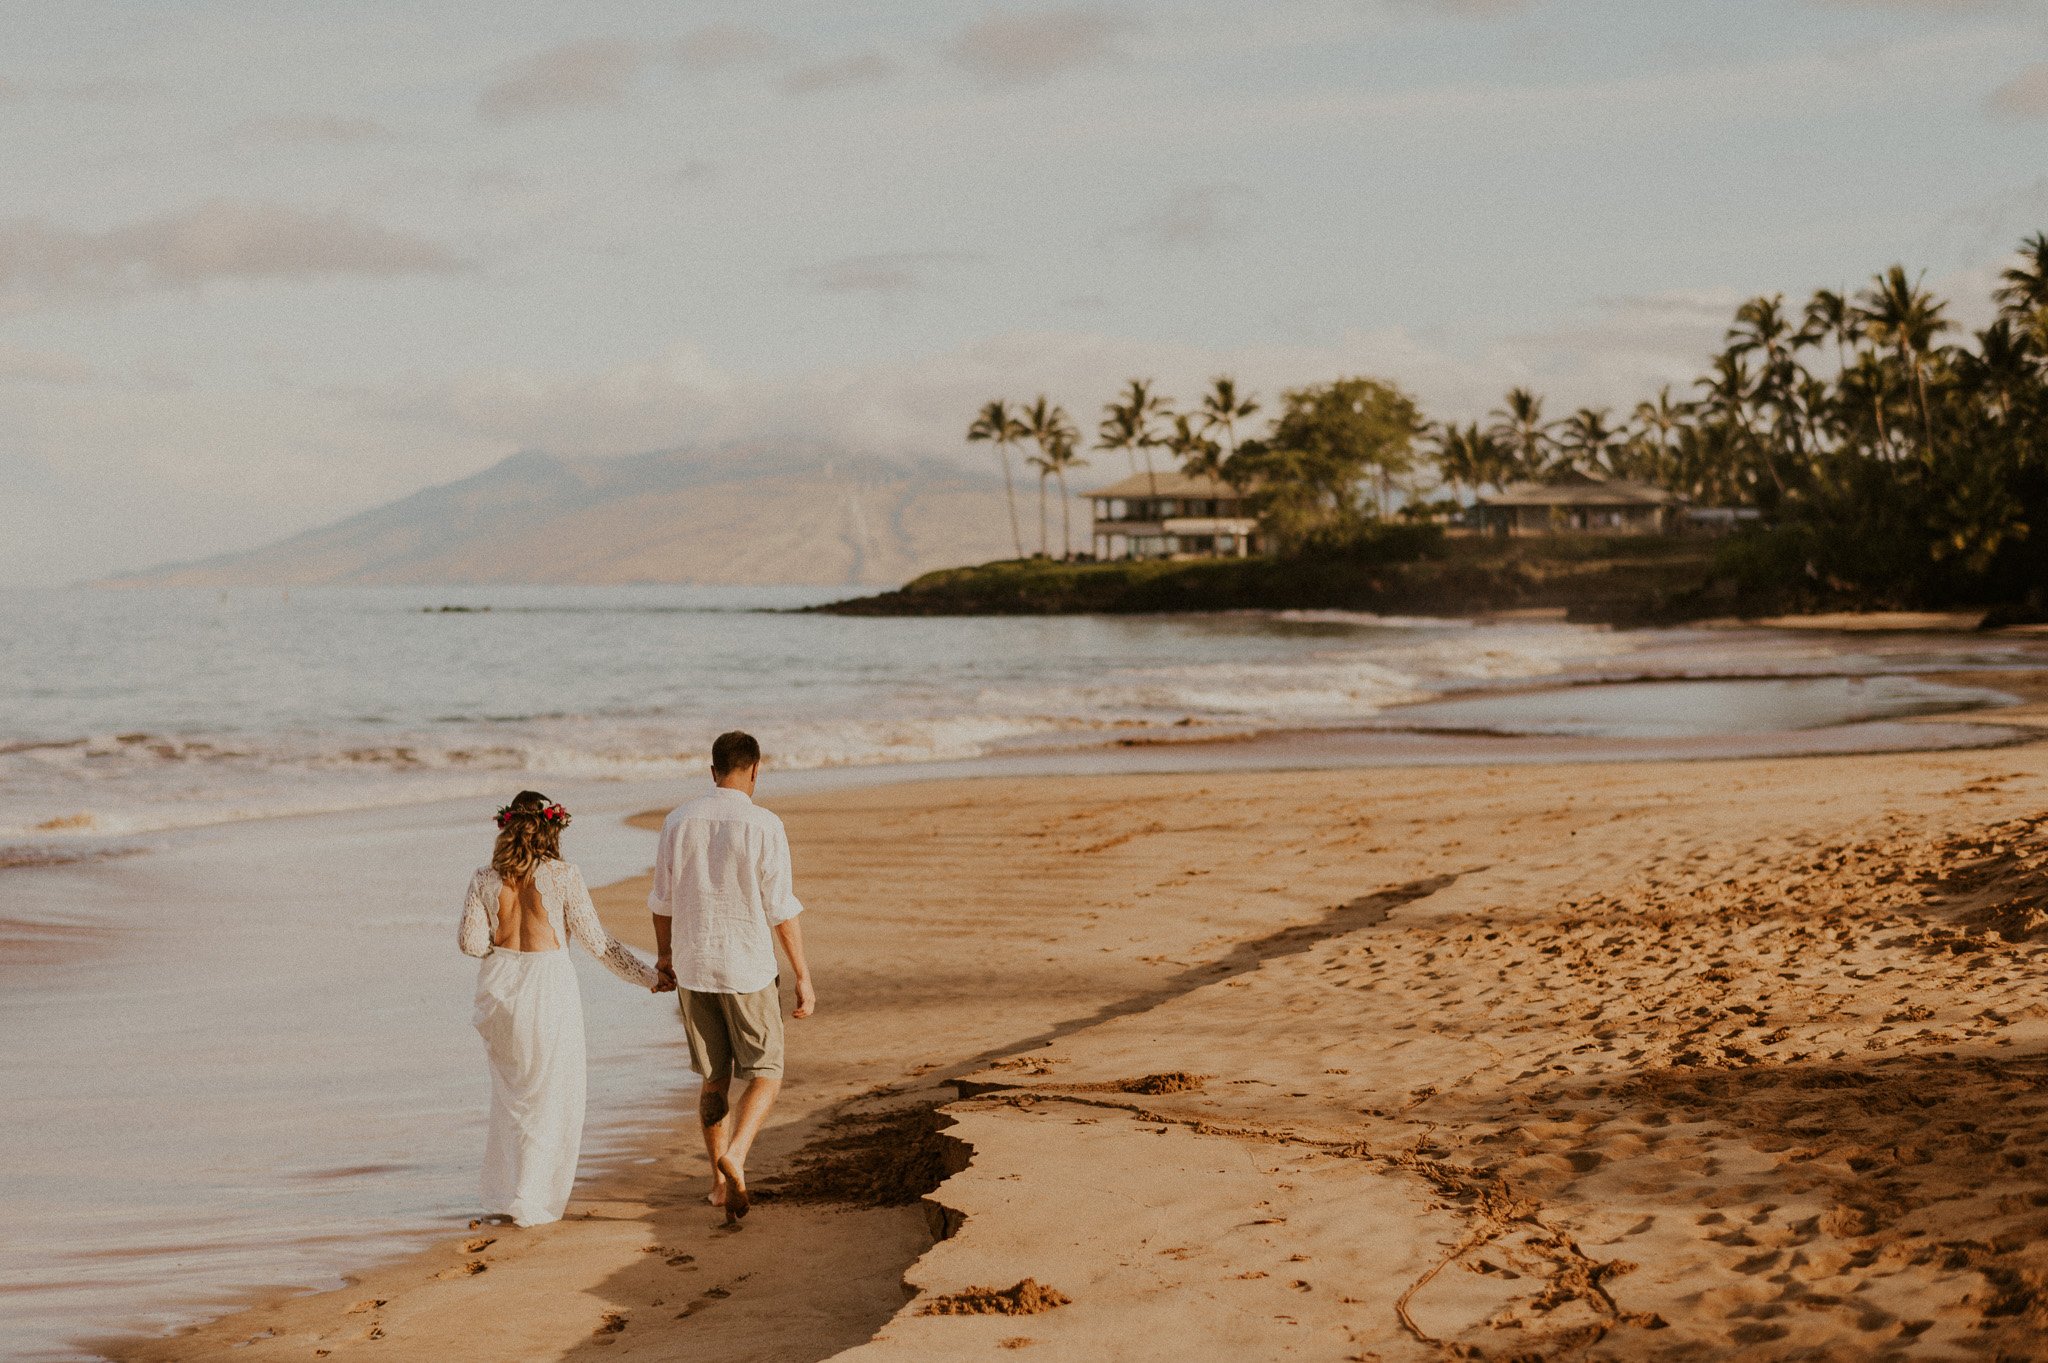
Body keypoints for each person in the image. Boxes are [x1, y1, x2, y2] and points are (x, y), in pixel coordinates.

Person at [458, 790, 670, 1227]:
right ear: (553, 827)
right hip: (547, 987)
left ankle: (507, 1190)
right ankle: (528, 1197)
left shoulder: (483, 878)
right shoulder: (564, 876)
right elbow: (599, 943)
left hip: (500, 991)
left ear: (507, 826)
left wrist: (501, 941)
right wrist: (650, 976)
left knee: (513, 1097)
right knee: (550, 1096)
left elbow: (471, 944)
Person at [648, 731, 816, 1225]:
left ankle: (719, 1185)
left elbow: (662, 900)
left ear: (712, 769)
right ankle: (738, 1154)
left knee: (713, 1078)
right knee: (767, 1071)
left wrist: (664, 957)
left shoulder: (678, 820)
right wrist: (803, 975)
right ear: (756, 769)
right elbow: (781, 908)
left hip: (694, 966)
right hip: (747, 966)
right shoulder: (764, 824)